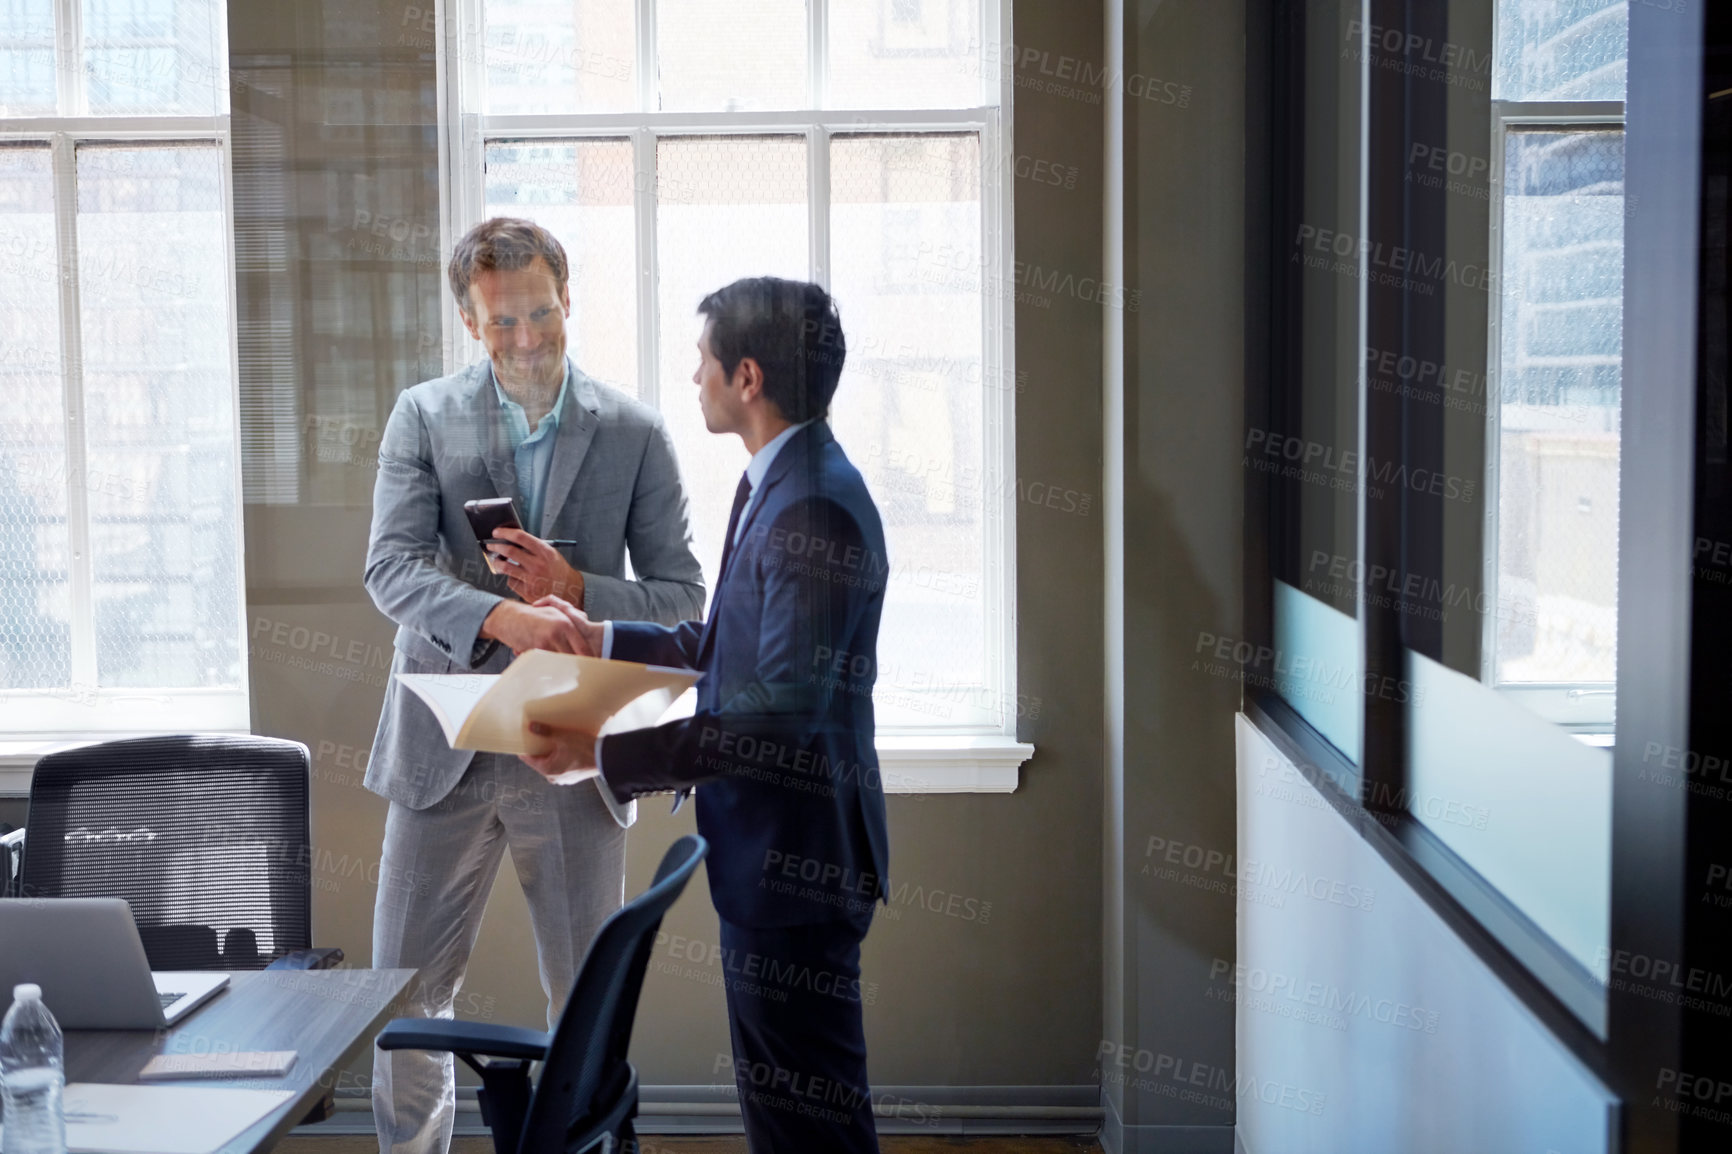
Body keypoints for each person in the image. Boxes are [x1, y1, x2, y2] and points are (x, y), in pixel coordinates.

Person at [521, 276, 891, 1154]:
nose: (696, 378)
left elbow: (776, 719)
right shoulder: (782, 482)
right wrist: (604, 633)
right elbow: (726, 645)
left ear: (749, 377)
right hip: (773, 862)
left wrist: (604, 756)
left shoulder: (815, 506)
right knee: (795, 1116)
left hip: (794, 868)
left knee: (811, 1125)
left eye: (704, 362)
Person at [362, 217, 705, 1154]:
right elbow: (389, 568)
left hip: (575, 747)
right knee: (405, 1000)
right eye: (502, 322)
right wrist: (499, 618)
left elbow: (684, 597)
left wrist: (577, 589)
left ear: (568, 300)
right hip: (446, 748)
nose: (525, 339)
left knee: (585, 1005)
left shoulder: (635, 431)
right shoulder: (423, 417)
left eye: (542, 315)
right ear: (470, 321)